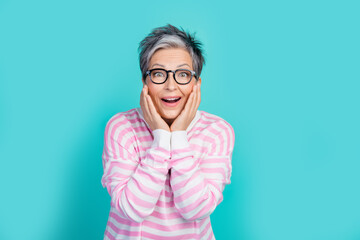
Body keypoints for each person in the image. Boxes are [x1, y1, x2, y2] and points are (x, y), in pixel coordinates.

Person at [101, 24, 235, 240]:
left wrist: (179, 135)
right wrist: (161, 138)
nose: (171, 85)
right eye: (158, 74)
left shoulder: (217, 132)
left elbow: (195, 210)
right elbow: (133, 209)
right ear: (145, 82)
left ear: (196, 84)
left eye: (182, 74)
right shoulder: (122, 127)